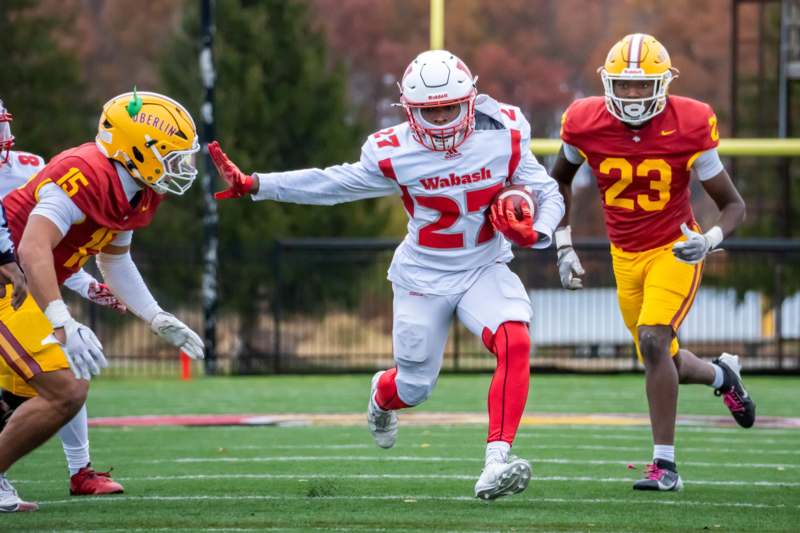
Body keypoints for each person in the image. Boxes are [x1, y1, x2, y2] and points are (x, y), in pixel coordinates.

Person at [209, 50, 565, 500]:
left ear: (470, 101)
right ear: (409, 110)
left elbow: (548, 192)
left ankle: (496, 461)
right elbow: (332, 185)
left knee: (516, 340)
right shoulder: (394, 152)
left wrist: (537, 232)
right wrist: (257, 184)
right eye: (430, 111)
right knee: (414, 388)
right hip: (422, 276)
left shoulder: (504, 134)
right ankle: (382, 395)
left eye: (449, 108)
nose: (441, 119)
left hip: (483, 265)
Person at [550, 33, 756, 491]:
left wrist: (709, 241)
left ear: (662, 84)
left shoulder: (690, 122)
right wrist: (563, 244)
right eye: (624, 85)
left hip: (674, 248)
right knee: (663, 357)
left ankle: (665, 466)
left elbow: (733, 205)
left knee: (653, 341)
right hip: (624, 254)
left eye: (642, 85)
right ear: (608, 84)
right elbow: (558, 179)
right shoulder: (583, 121)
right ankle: (723, 375)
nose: (633, 94)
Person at [0, 90, 205, 512]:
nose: (183, 167)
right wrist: (62, 320)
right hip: (11, 285)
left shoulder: (140, 188)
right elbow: (33, 247)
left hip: (24, 292)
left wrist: (154, 315)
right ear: (139, 150)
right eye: (173, 156)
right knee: (66, 388)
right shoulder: (86, 173)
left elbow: (115, 259)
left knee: (24, 396)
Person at [0, 98, 127, 496]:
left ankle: (80, 470)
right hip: (9, 288)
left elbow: (48, 249)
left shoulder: (29, 168)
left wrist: (86, 285)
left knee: (66, 366)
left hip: (20, 288)